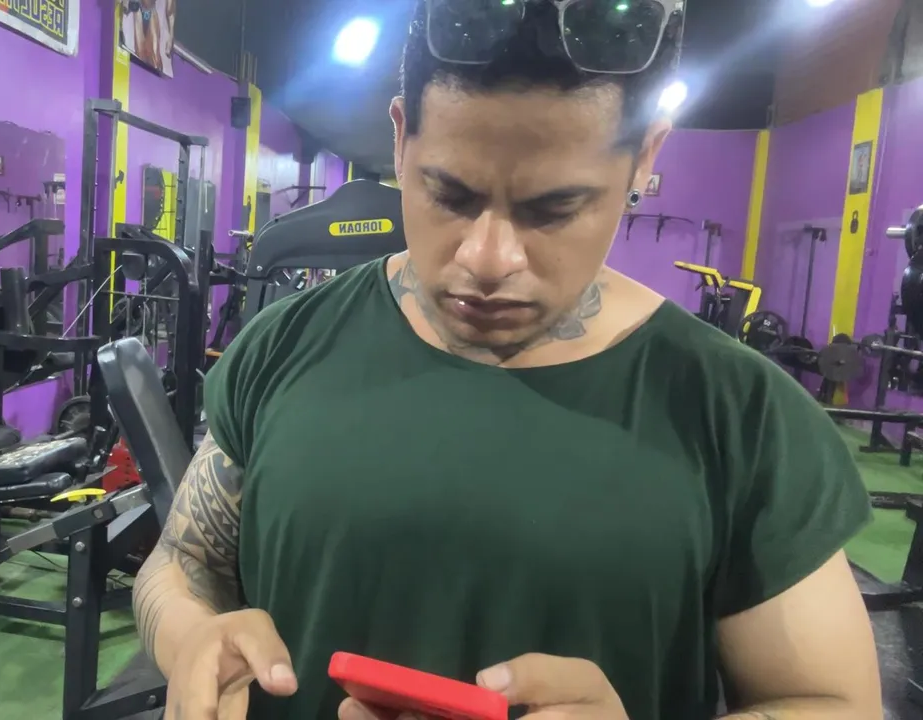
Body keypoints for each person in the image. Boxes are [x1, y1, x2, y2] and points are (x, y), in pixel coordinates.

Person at [132, 1, 881, 719]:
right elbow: (182, 563)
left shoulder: (742, 414)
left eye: (554, 209)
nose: (488, 259)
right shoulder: (283, 344)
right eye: (449, 195)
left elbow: (835, 704)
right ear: (401, 139)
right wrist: (192, 638)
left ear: (644, 160)